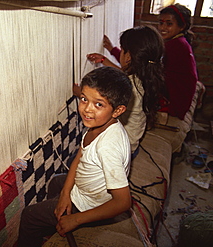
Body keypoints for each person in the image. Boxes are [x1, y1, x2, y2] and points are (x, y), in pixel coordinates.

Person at [18, 66, 132, 247]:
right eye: (84, 99)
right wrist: (65, 194)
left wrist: (76, 219)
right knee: (56, 183)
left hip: (90, 205)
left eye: (98, 104)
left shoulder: (108, 147)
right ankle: (54, 223)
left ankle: (49, 225)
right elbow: (80, 156)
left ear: (117, 111)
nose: (87, 109)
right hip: (84, 190)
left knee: (29, 216)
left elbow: (123, 202)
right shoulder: (98, 125)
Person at [102, 4, 198, 120]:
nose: (163, 28)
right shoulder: (179, 42)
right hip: (177, 96)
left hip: (175, 102)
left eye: (169, 24)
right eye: (161, 23)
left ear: (182, 26)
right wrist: (112, 50)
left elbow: (136, 66)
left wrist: (105, 60)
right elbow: (137, 60)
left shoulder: (175, 46)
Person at [80, 26, 165, 155]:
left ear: (128, 57)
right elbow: (124, 76)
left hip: (120, 150)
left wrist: (80, 93)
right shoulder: (146, 77)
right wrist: (105, 60)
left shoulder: (131, 88)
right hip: (132, 143)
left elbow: (104, 100)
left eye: (122, 50)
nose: (120, 52)